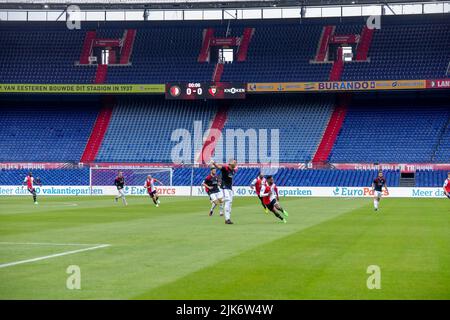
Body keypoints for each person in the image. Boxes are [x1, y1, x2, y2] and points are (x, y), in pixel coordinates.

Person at [211, 159, 237, 225]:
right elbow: (219, 167)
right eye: (234, 162)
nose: (236, 163)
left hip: (230, 188)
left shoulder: (233, 170)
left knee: (229, 203)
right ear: (230, 163)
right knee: (227, 199)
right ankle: (219, 200)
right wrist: (214, 163)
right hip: (224, 187)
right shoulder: (226, 168)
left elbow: (235, 170)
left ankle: (227, 219)